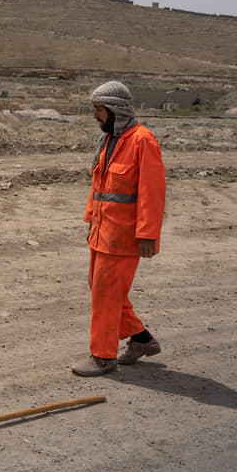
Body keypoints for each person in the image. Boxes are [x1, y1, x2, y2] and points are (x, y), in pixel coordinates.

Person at [72, 80, 166, 377]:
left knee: (106, 296)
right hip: (102, 231)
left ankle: (103, 357)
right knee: (103, 291)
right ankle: (141, 340)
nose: (95, 116)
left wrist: (148, 234)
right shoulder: (110, 140)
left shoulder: (142, 140)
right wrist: (91, 220)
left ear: (115, 110)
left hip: (124, 237)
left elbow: (153, 192)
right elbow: (100, 187)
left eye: (99, 110)